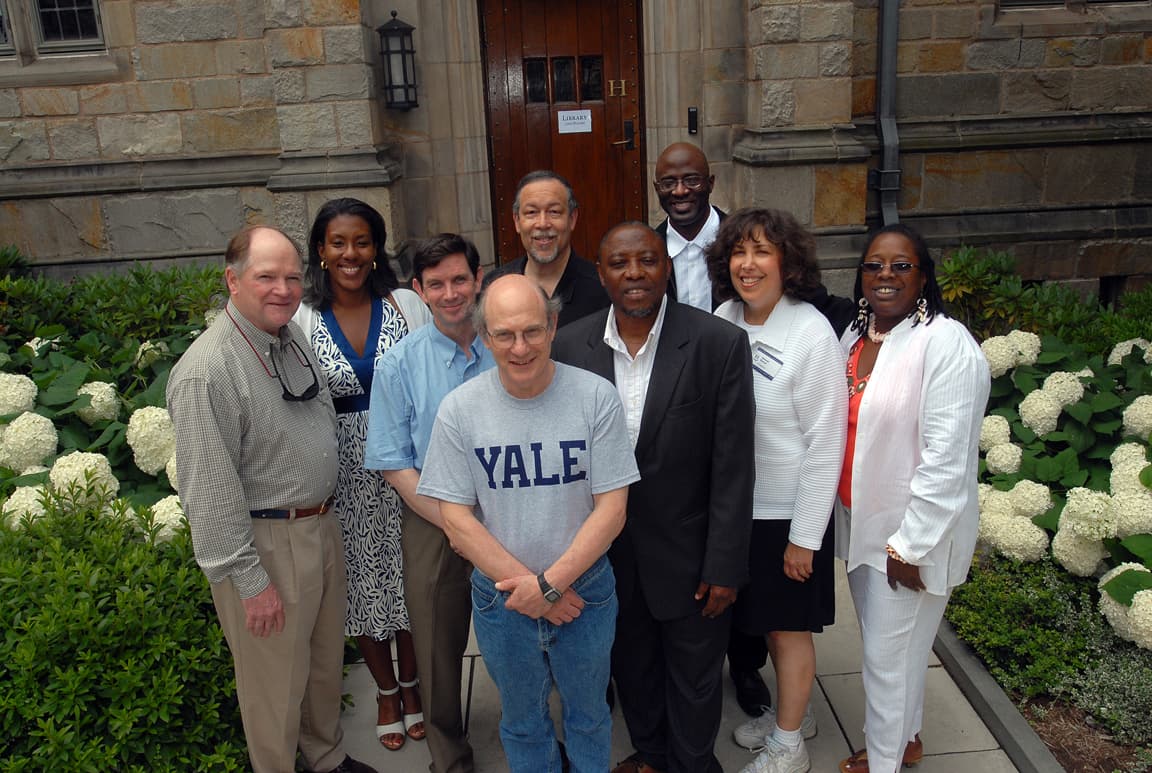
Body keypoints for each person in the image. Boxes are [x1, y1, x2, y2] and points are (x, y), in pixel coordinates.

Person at [167, 225, 376, 773]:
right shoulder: (207, 370)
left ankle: (326, 757)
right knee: (273, 686)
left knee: (325, 664)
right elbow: (209, 491)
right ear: (232, 281)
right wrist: (249, 580)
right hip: (266, 543)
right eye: (266, 277)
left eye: (291, 276)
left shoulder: (288, 337)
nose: (283, 289)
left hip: (318, 528)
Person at [415, 274, 640, 773]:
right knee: (522, 722)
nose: (520, 347)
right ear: (484, 335)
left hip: (585, 594)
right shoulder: (459, 410)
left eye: (532, 331)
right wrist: (531, 590)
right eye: (504, 335)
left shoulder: (595, 397)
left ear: (553, 324)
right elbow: (455, 518)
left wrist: (550, 587)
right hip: (501, 603)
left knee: (588, 715)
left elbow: (612, 508)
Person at [552, 222, 756, 773]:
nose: (634, 273)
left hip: (692, 557)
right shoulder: (569, 346)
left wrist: (725, 565)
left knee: (694, 680)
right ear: (602, 273)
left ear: (666, 268)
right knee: (633, 667)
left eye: (647, 260)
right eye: (620, 263)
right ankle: (652, 754)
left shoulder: (718, 343)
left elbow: (734, 467)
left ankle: (692, 764)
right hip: (607, 557)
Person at [835, 224, 990, 773]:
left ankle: (884, 761)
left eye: (901, 266)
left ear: (923, 277)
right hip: (862, 526)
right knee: (898, 652)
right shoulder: (857, 339)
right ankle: (909, 738)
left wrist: (910, 546)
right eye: (874, 265)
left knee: (885, 661)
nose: (885, 275)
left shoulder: (945, 343)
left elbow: (947, 460)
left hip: (907, 539)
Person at [703, 209, 847, 773]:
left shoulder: (810, 331)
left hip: (788, 512)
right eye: (739, 251)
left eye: (762, 251)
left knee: (787, 630)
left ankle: (790, 747)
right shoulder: (723, 318)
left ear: (787, 261)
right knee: (762, 620)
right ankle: (796, 713)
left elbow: (825, 442)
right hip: (740, 510)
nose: (749, 263)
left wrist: (805, 537)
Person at [293, 198, 432, 752]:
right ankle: (385, 691)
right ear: (321, 252)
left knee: (413, 576)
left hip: (409, 462)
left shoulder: (405, 305)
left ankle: (415, 684)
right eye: (338, 243)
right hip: (343, 469)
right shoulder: (302, 317)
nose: (351, 254)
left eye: (362, 242)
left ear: (377, 249)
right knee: (364, 583)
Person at [653, 142, 776, 717]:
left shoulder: (742, 246)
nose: (680, 192)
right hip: (675, 418)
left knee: (736, 546)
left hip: (738, 409)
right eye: (668, 182)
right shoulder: (647, 249)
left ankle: (745, 666)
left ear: (710, 182)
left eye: (691, 181)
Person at [364, 233, 493, 773]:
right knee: (438, 648)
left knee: (525, 636)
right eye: (435, 284)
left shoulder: (510, 343)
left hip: (512, 513)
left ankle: (531, 730)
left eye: (459, 279)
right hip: (432, 517)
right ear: (418, 290)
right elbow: (395, 463)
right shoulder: (398, 365)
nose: (450, 293)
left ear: (478, 279)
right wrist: (456, 526)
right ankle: (450, 753)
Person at [482, 170, 610, 327]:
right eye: (531, 212)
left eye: (554, 212)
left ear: (572, 219)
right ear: (516, 221)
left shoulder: (602, 290)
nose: (542, 223)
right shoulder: (494, 286)